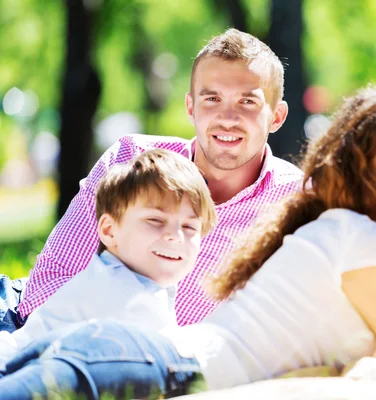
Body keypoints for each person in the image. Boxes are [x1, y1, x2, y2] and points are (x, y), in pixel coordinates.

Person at [0, 85, 376, 399]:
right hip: (146, 366)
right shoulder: (358, 238)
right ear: (361, 173)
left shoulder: (343, 234)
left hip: (126, 357)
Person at [0, 28, 303, 333]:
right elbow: (46, 289)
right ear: (191, 108)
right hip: (34, 329)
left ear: (276, 116)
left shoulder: (298, 202)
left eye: (247, 102)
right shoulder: (132, 159)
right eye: (212, 98)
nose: (227, 117)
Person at [0, 149, 217, 366]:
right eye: (155, 220)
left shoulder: (118, 274)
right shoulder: (126, 292)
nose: (175, 236)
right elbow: (173, 363)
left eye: (189, 226)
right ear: (109, 230)